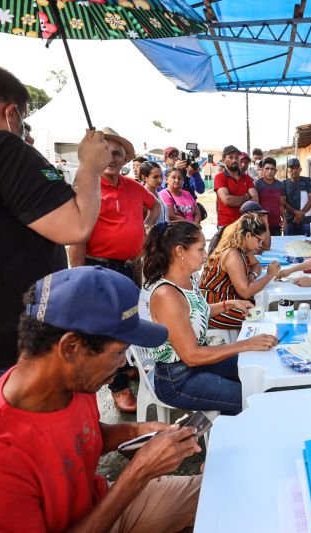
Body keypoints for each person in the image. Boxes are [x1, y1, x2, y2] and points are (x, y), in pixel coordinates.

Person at [0, 266, 203, 531]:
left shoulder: (71, 382)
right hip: (105, 507)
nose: (123, 365)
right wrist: (138, 475)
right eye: (119, 353)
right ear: (71, 348)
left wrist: (134, 431)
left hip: (98, 505)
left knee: (217, 497)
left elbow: (76, 436)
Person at [0, 60, 110, 427]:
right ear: (11, 111)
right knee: (12, 460)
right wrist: (90, 168)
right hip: (1, 348)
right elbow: (74, 226)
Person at [68, 127, 161, 413]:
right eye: (106, 151)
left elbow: (155, 206)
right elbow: (77, 237)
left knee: (129, 322)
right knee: (105, 330)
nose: (111, 158)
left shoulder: (133, 187)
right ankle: (118, 386)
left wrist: (146, 226)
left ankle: (127, 366)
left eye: (117, 153)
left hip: (132, 268)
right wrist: (80, 275)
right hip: (99, 269)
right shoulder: (87, 187)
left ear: (123, 159)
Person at [141, 221, 279, 414]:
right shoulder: (167, 295)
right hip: (178, 380)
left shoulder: (185, 280)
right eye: (200, 250)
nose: (206, 255)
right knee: (254, 399)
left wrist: (228, 304)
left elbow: (196, 312)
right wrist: (245, 344)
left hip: (197, 365)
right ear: (180, 251)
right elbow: (191, 356)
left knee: (256, 369)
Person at [198, 214, 281, 329]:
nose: (260, 245)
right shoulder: (233, 254)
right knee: (262, 319)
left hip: (227, 300)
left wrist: (251, 277)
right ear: (248, 235)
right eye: (259, 241)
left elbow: (256, 264)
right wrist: (269, 275)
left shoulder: (242, 248)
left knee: (263, 309)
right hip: (215, 307)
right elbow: (246, 292)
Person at [214, 144, 257, 231]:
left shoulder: (247, 178)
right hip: (226, 225)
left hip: (245, 224)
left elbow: (255, 200)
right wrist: (246, 197)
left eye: (237, 157)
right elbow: (227, 200)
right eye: (230, 157)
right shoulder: (220, 177)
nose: (234, 160)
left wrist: (236, 201)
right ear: (223, 159)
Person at [282, 157, 311, 236]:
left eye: (297, 168)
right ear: (288, 170)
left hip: (305, 219)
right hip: (290, 220)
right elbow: (283, 202)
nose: (294, 171)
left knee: (305, 243)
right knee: (289, 244)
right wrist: (295, 212)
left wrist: (301, 213)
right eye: (292, 168)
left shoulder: (307, 181)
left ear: (300, 169)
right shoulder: (283, 183)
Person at [254, 156, 285, 235]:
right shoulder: (257, 184)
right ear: (262, 170)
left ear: (276, 170)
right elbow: (255, 205)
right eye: (267, 168)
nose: (269, 171)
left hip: (276, 224)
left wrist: (284, 219)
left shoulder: (280, 185)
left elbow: (281, 205)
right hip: (261, 224)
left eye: (272, 169)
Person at [141, 161, 170, 225]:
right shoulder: (142, 197)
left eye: (161, 176)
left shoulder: (158, 194)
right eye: (155, 177)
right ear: (144, 178)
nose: (160, 180)